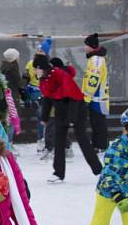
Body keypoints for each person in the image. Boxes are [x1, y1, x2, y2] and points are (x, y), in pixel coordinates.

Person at [34, 54, 103, 183]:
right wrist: (44, 118)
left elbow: (74, 97)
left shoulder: (60, 75)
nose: (34, 72)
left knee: (82, 138)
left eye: (36, 69)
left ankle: (99, 170)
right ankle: (58, 173)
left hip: (76, 108)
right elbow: (48, 99)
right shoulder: (44, 79)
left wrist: (72, 119)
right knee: (58, 141)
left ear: (42, 68)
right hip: (60, 110)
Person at [79, 109, 128, 225]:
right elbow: (108, 173)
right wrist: (117, 195)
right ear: (125, 129)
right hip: (108, 192)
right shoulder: (116, 147)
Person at [82, 33, 110, 153]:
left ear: (91, 46)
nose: (84, 47)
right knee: (95, 122)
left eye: (86, 45)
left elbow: (93, 80)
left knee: (98, 123)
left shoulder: (96, 60)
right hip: (95, 98)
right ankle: (97, 145)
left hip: (98, 99)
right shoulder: (94, 59)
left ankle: (101, 146)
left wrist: (86, 97)